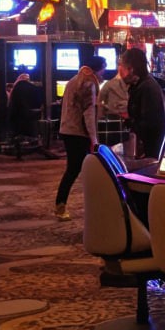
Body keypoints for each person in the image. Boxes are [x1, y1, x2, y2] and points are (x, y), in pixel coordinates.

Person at [54, 55, 107, 221]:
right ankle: (61, 205)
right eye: (103, 69)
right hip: (78, 132)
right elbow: (88, 114)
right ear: (97, 69)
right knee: (75, 170)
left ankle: (65, 205)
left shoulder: (74, 80)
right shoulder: (88, 84)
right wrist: (94, 139)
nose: (104, 73)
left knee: (77, 169)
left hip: (67, 129)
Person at [120, 47, 165, 159]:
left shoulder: (147, 87)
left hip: (151, 151)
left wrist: (128, 121)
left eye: (121, 66)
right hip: (147, 148)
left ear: (131, 69)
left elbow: (150, 124)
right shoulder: (141, 84)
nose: (120, 71)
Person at [7, 73, 43, 138]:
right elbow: (39, 102)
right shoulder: (33, 87)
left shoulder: (15, 88)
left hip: (17, 119)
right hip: (31, 119)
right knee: (31, 139)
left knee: (18, 139)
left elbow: (11, 105)